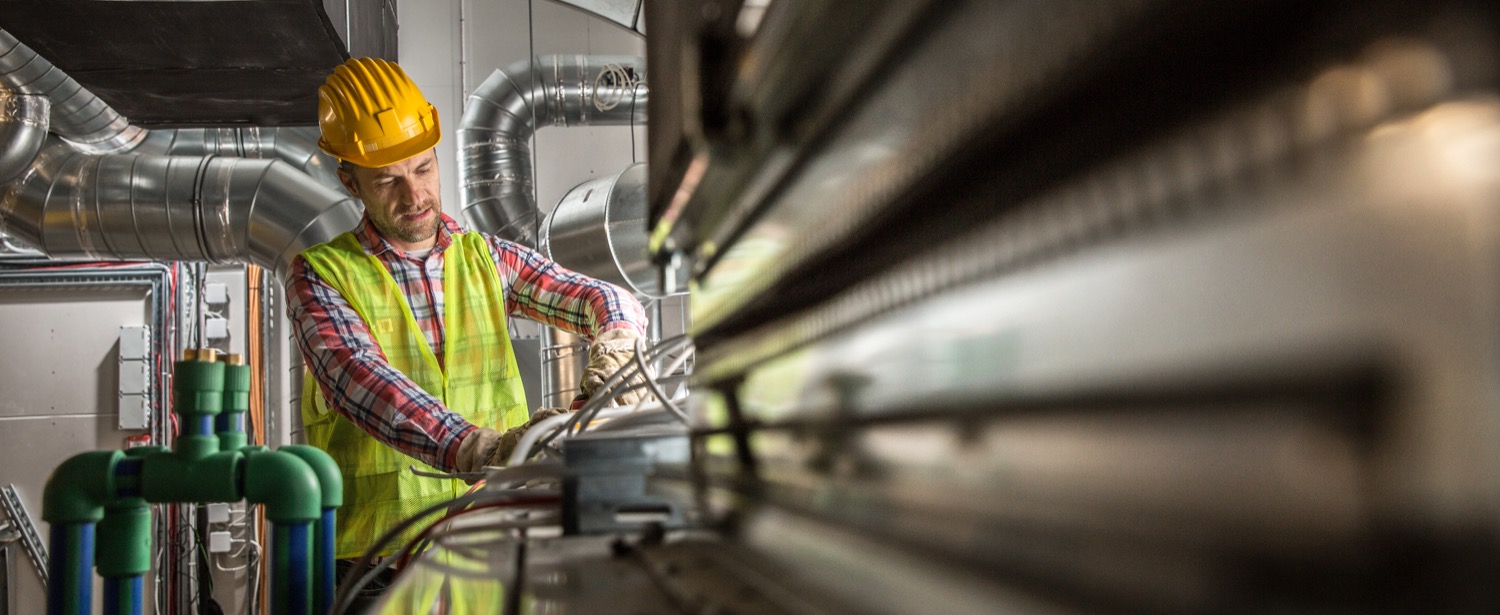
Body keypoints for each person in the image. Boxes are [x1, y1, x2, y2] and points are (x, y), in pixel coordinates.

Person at [285, 57, 649, 574]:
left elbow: (605, 298)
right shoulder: (320, 276)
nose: (414, 196)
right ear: (350, 181)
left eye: (423, 169)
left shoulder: (487, 258)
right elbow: (362, 382)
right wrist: (489, 449)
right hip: (376, 565)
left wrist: (616, 350)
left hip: (492, 547)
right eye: (387, 181)